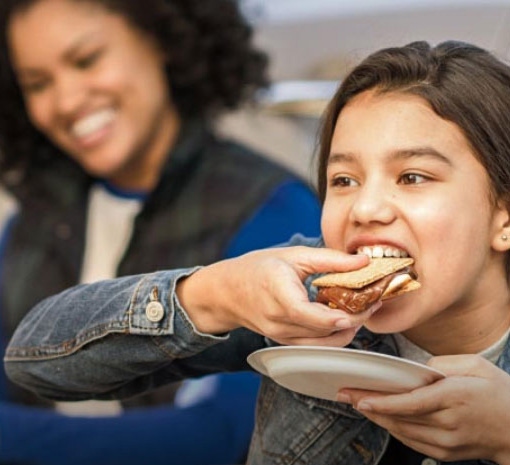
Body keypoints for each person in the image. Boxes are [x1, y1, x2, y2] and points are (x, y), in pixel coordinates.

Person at [6, 39, 510, 464]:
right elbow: (36, 361)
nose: (366, 207)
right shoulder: (304, 304)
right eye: (344, 179)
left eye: (412, 176)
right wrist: (217, 295)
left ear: (503, 219)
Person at [0, 0, 322, 464]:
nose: (66, 101)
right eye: (37, 84)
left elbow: (228, 435)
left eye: (87, 60)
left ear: (162, 40)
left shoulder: (274, 210)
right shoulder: (34, 217)